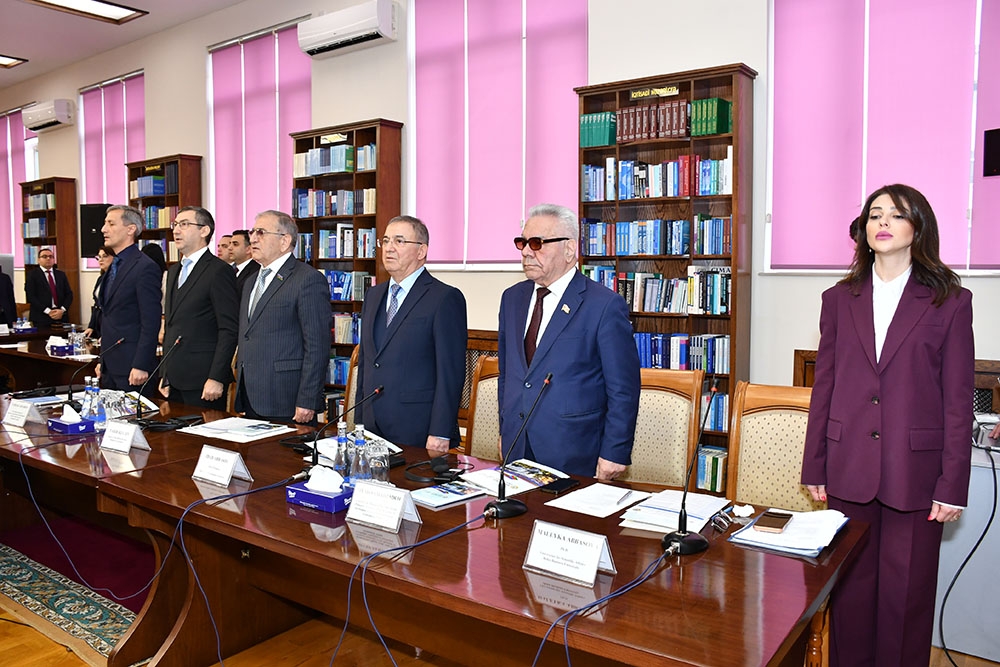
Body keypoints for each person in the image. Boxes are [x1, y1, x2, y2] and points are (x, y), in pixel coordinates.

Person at [801, 184, 974, 667]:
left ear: (918, 227)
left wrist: (953, 484)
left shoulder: (950, 301)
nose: (883, 222)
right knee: (850, 602)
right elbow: (825, 386)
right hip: (848, 469)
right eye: (875, 214)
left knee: (905, 604)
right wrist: (815, 464)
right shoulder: (839, 299)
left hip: (916, 476)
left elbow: (958, 401)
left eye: (896, 215)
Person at [497, 203, 640, 479]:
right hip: (517, 444)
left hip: (574, 450)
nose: (526, 252)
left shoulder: (604, 305)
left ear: (569, 249)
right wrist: (505, 429)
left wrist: (615, 451)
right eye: (522, 243)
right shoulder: (512, 299)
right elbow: (508, 373)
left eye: (537, 243)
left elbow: (623, 388)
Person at [356, 215, 467, 451]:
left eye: (399, 241)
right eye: (385, 241)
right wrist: (359, 423)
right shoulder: (373, 295)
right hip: (371, 425)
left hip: (417, 428)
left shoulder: (444, 298)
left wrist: (440, 430)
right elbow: (366, 362)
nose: (389, 248)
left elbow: (450, 373)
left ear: (421, 251)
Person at [235, 210, 330, 423]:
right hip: (251, 395)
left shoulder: (307, 279)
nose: (253, 238)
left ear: (284, 241)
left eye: (261, 232)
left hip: (287, 398)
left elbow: (317, 346)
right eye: (252, 232)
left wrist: (308, 399)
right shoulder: (250, 281)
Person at [159, 207, 238, 409]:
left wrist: (216, 377)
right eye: (175, 225)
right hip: (174, 377)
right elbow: (172, 324)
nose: (176, 230)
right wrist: (164, 373)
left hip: (204, 379)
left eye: (184, 224)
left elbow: (229, 329)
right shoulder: (174, 270)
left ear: (204, 230)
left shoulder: (218, 271)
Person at [96, 205, 163, 391]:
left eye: (111, 224)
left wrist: (141, 364)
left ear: (130, 229)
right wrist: (103, 360)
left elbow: (150, 321)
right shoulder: (114, 264)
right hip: (110, 366)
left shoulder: (144, 267)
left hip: (132, 366)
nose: (103, 229)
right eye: (105, 223)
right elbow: (109, 316)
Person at [25, 247, 73, 327]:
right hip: (41, 317)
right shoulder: (32, 275)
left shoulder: (61, 275)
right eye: (44, 256)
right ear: (38, 260)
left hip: (60, 316)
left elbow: (69, 294)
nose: (48, 259)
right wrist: (48, 311)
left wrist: (62, 310)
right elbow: (31, 297)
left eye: (51, 257)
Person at [83, 246, 115, 339]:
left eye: (105, 256)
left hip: (111, 326)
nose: (101, 260)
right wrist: (91, 326)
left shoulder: (116, 279)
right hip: (99, 323)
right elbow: (96, 305)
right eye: (99, 257)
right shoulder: (101, 278)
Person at [230, 229, 260, 296]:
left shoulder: (256, 271)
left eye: (235, 244)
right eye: (230, 244)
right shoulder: (229, 270)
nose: (230, 248)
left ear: (248, 249)